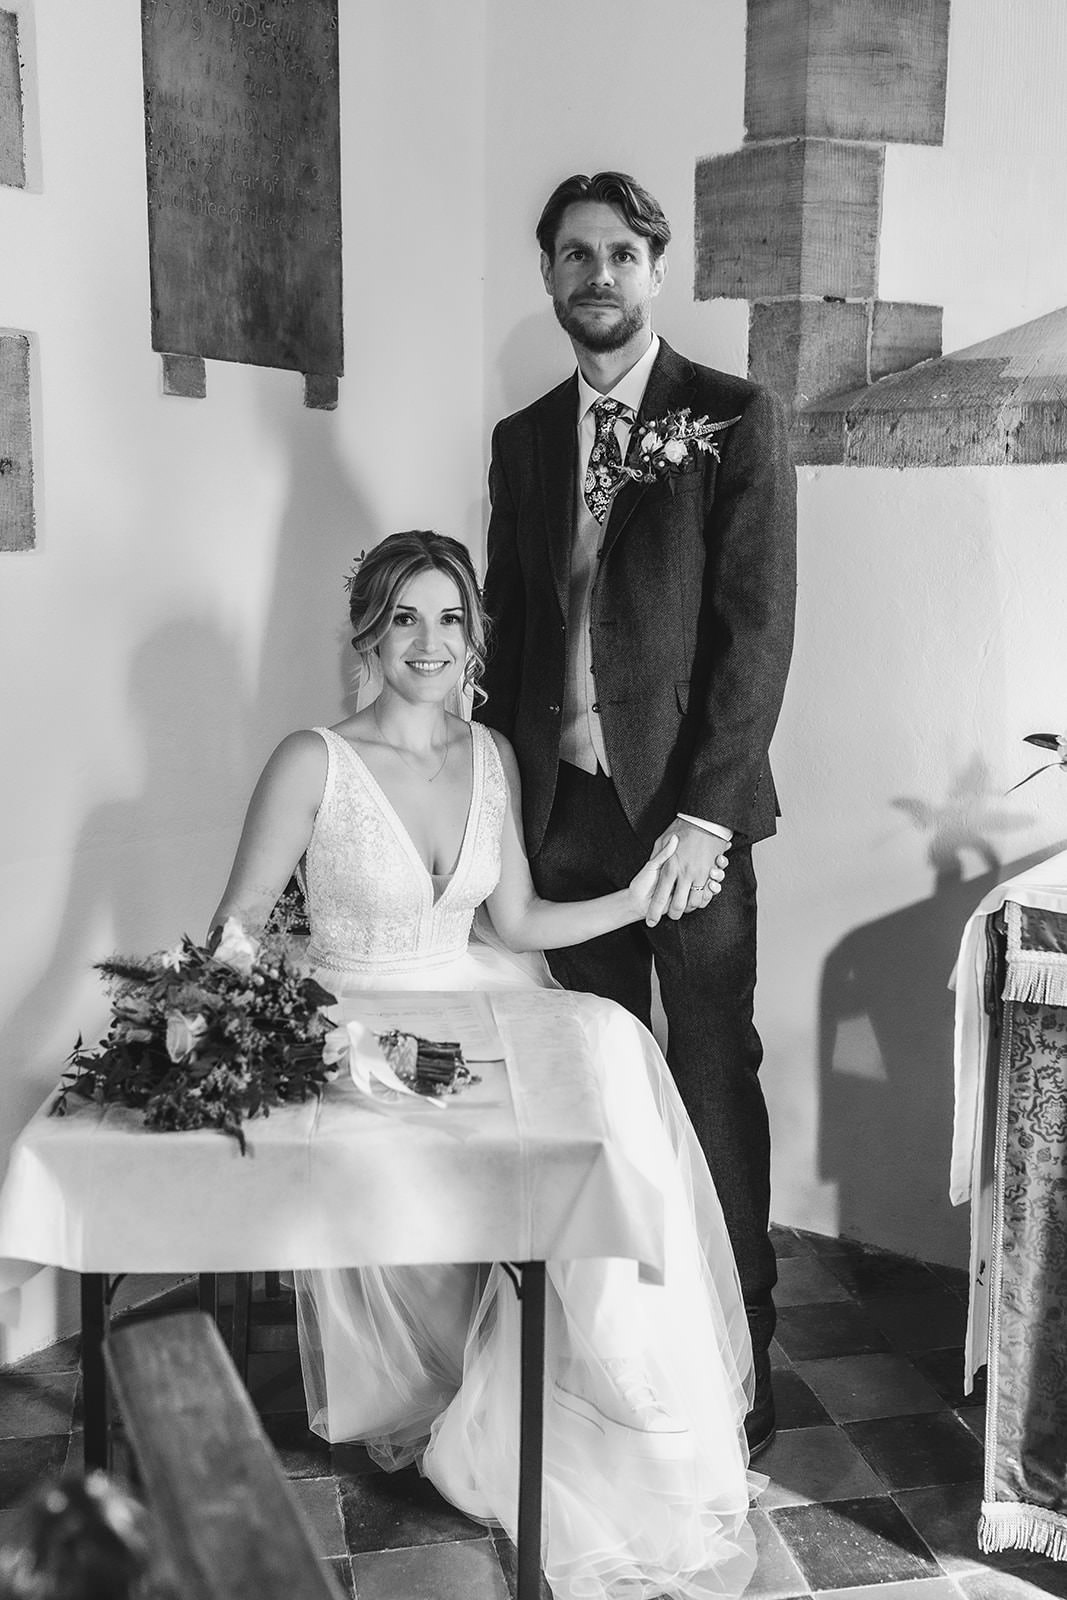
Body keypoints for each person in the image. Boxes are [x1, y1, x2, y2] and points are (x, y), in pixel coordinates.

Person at [211, 530, 758, 1600]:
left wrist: (646, 894)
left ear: (476, 637)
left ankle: (617, 1382)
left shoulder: (493, 756)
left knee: (609, 1048)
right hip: (354, 1023)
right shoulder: (310, 759)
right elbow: (232, 931)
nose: (429, 640)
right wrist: (304, 1033)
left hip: (473, 996)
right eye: (405, 616)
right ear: (367, 629)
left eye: (449, 618)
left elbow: (518, 920)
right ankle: (519, 1382)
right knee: (503, 1135)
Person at [477, 172, 796, 1454]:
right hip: (564, 822)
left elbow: (755, 634)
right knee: (600, 1085)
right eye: (572, 255)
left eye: (618, 253)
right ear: (548, 276)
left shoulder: (731, 417)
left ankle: (743, 1359)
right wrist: (492, 799)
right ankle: (626, 1352)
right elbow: (507, 621)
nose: (594, 275)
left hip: (687, 823)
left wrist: (707, 820)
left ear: (657, 269)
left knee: (710, 1070)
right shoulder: (520, 437)